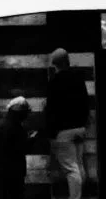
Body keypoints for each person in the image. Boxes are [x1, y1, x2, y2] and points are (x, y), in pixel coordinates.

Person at [44, 49, 92, 199]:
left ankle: (75, 197)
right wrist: (84, 124)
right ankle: (80, 195)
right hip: (79, 128)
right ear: (68, 61)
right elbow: (85, 103)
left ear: (55, 64)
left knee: (71, 169)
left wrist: (50, 132)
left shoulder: (54, 82)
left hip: (63, 131)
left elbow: (51, 109)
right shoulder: (78, 79)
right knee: (79, 165)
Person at [0, 96, 32, 199]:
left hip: (0, 171)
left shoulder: (0, 124)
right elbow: (21, 148)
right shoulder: (17, 128)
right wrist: (31, 140)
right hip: (14, 173)